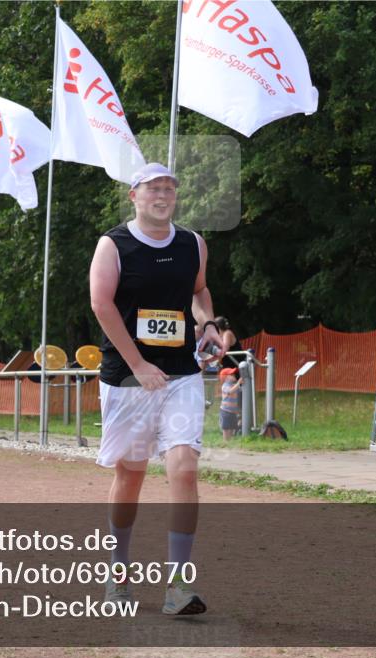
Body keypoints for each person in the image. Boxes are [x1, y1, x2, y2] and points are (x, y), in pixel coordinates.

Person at [89, 162, 224, 616]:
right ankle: (117, 573)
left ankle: (177, 588)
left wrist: (207, 325)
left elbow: (200, 292)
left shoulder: (193, 244)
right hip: (128, 378)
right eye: (152, 189)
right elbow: (101, 304)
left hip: (181, 373)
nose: (162, 195)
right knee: (130, 475)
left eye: (169, 187)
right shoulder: (114, 244)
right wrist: (138, 363)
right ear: (134, 196)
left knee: (184, 468)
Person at [219, 367, 242, 441]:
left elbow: (239, 390)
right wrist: (238, 383)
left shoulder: (233, 385)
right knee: (226, 428)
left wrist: (240, 384)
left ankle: (230, 442)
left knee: (232, 427)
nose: (234, 375)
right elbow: (230, 391)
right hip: (225, 411)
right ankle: (225, 442)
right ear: (225, 377)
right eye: (231, 374)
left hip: (233, 412)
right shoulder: (225, 385)